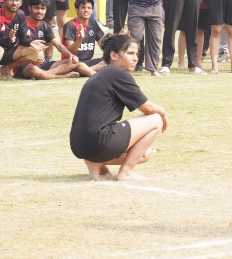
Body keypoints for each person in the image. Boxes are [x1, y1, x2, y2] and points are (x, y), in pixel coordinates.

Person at [69, 33, 169, 181]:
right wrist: (163, 114)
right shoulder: (117, 72)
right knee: (156, 120)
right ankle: (125, 172)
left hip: (79, 145)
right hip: (97, 142)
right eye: (130, 53)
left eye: (136, 54)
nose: (135, 58)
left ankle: (97, 164)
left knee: (144, 153)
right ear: (114, 55)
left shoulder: (100, 74)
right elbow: (147, 107)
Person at [11, 0, 83, 79]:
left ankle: (43, 74)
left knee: (73, 62)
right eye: (36, 8)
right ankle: (62, 76)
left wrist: (71, 55)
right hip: (23, 66)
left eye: (43, 8)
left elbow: (59, 45)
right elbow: (15, 47)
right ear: (30, 8)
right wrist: (31, 58)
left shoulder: (45, 26)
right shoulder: (21, 22)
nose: (39, 11)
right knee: (33, 70)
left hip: (41, 64)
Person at [63, 0, 107, 74]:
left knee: (110, 60)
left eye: (89, 8)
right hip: (72, 63)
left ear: (92, 10)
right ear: (77, 10)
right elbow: (70, 51)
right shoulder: (70, 25)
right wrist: (80, 38)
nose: (86, 10)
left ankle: (88, 71)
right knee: (79, 65)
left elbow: (103, 45)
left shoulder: (93, 23)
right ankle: (93, 73)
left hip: (88, 62)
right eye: (83, 7)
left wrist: (118, 40)